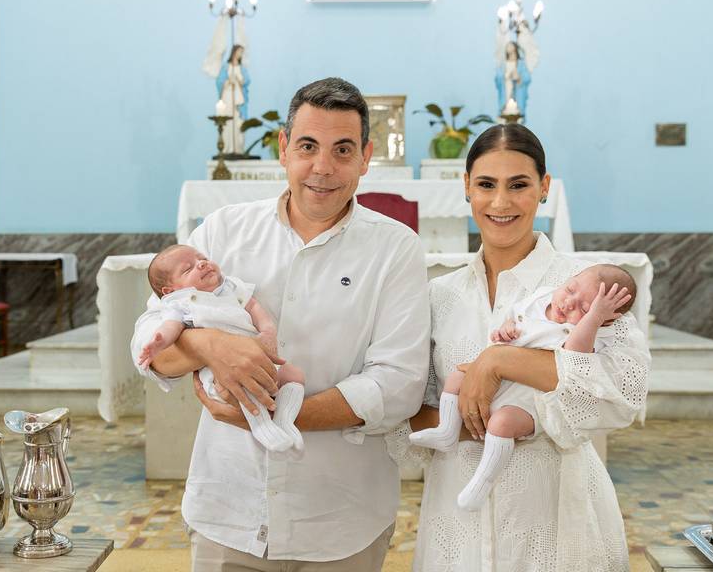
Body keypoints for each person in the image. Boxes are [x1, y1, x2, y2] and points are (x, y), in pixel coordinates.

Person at [130, 77, 430, 571]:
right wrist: (209, 346)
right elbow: (150, 350)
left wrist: (278, 417)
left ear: (366, 156)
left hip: (340, 517)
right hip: (228, 511)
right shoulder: (223, 231)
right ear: (283, 148)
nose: (323, 167)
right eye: (308, 146)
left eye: (342, 149)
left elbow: (398, 386)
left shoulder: (396, 249)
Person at [387, 123, 650, 571]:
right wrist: (473, 424)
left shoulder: (588, 289)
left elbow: (620, 393)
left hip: (554, 519)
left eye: (519, 185)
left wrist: (500, 359)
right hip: (457, 522)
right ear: (466, 187)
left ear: (544, 188)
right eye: (486, 184)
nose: (501, 202)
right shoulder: (439, 295)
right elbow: (405, 408)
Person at [409, 264, 636, 511]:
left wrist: (592, 319)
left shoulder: (592, 332)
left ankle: (482, 482)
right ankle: (446, 431)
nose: (570, 303)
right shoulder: (541, 298)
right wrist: (505, 332)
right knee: (456, 377)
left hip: (528, 397)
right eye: (570, 289)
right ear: (570, 278)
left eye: (584, 308)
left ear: (606, 319)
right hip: (497, 385)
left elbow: (574, 361)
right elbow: (517, 320)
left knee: (502, 423)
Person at [137, 244, 304, 454]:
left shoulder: (230, 288)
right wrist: (158, 342)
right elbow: (171, 327)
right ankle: (262, 426)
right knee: (242, 390)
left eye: (202, 258)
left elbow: (252, 306)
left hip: (259, 357)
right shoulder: (181, 304)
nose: (202, 264)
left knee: (293, 375)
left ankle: (285, 420)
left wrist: (268, 330)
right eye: (188, 269)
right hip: (221, 373)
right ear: (170, 291)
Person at [216, 44, 250, 154]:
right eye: (239, 52)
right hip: (228, 97)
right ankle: (227, 148)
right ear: (234, 52)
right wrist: (228, 81)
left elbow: (247, 80)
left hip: (238, 98)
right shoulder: (226, 67)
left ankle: (238, 149)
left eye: (242, 53)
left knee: (238, 122)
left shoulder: (242, 69)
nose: (240, 54)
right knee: (227, 122)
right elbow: (219, 81)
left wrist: (240, 80)